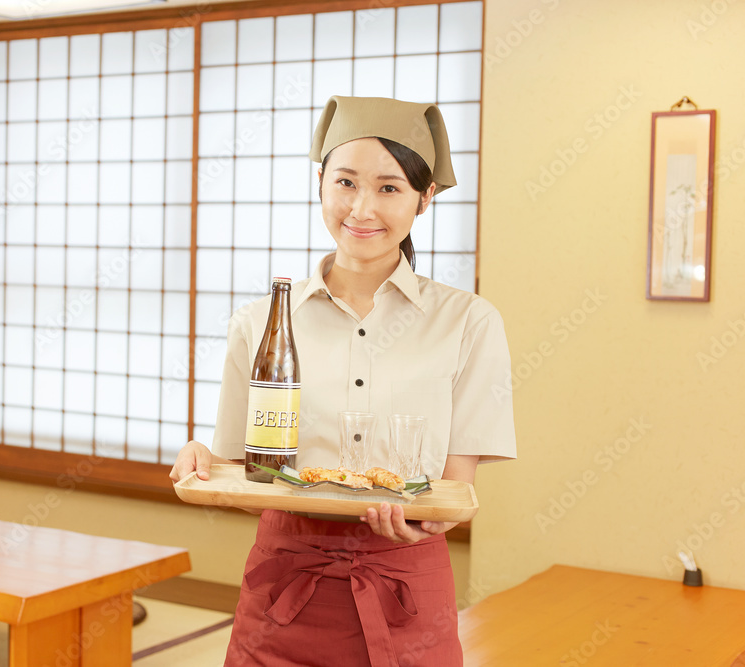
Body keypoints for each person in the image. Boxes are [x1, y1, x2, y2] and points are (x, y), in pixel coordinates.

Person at [169, 95, 517, 666]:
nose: (361, 208)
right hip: (283, 589)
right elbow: (246, 473)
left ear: (424, 199)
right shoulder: (258, 323)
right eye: (345, 182)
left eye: (389, 188)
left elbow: (457, 489)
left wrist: (424, 521)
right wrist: (202, 458)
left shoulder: (468, 322)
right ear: (321, 185)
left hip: (405, 587)